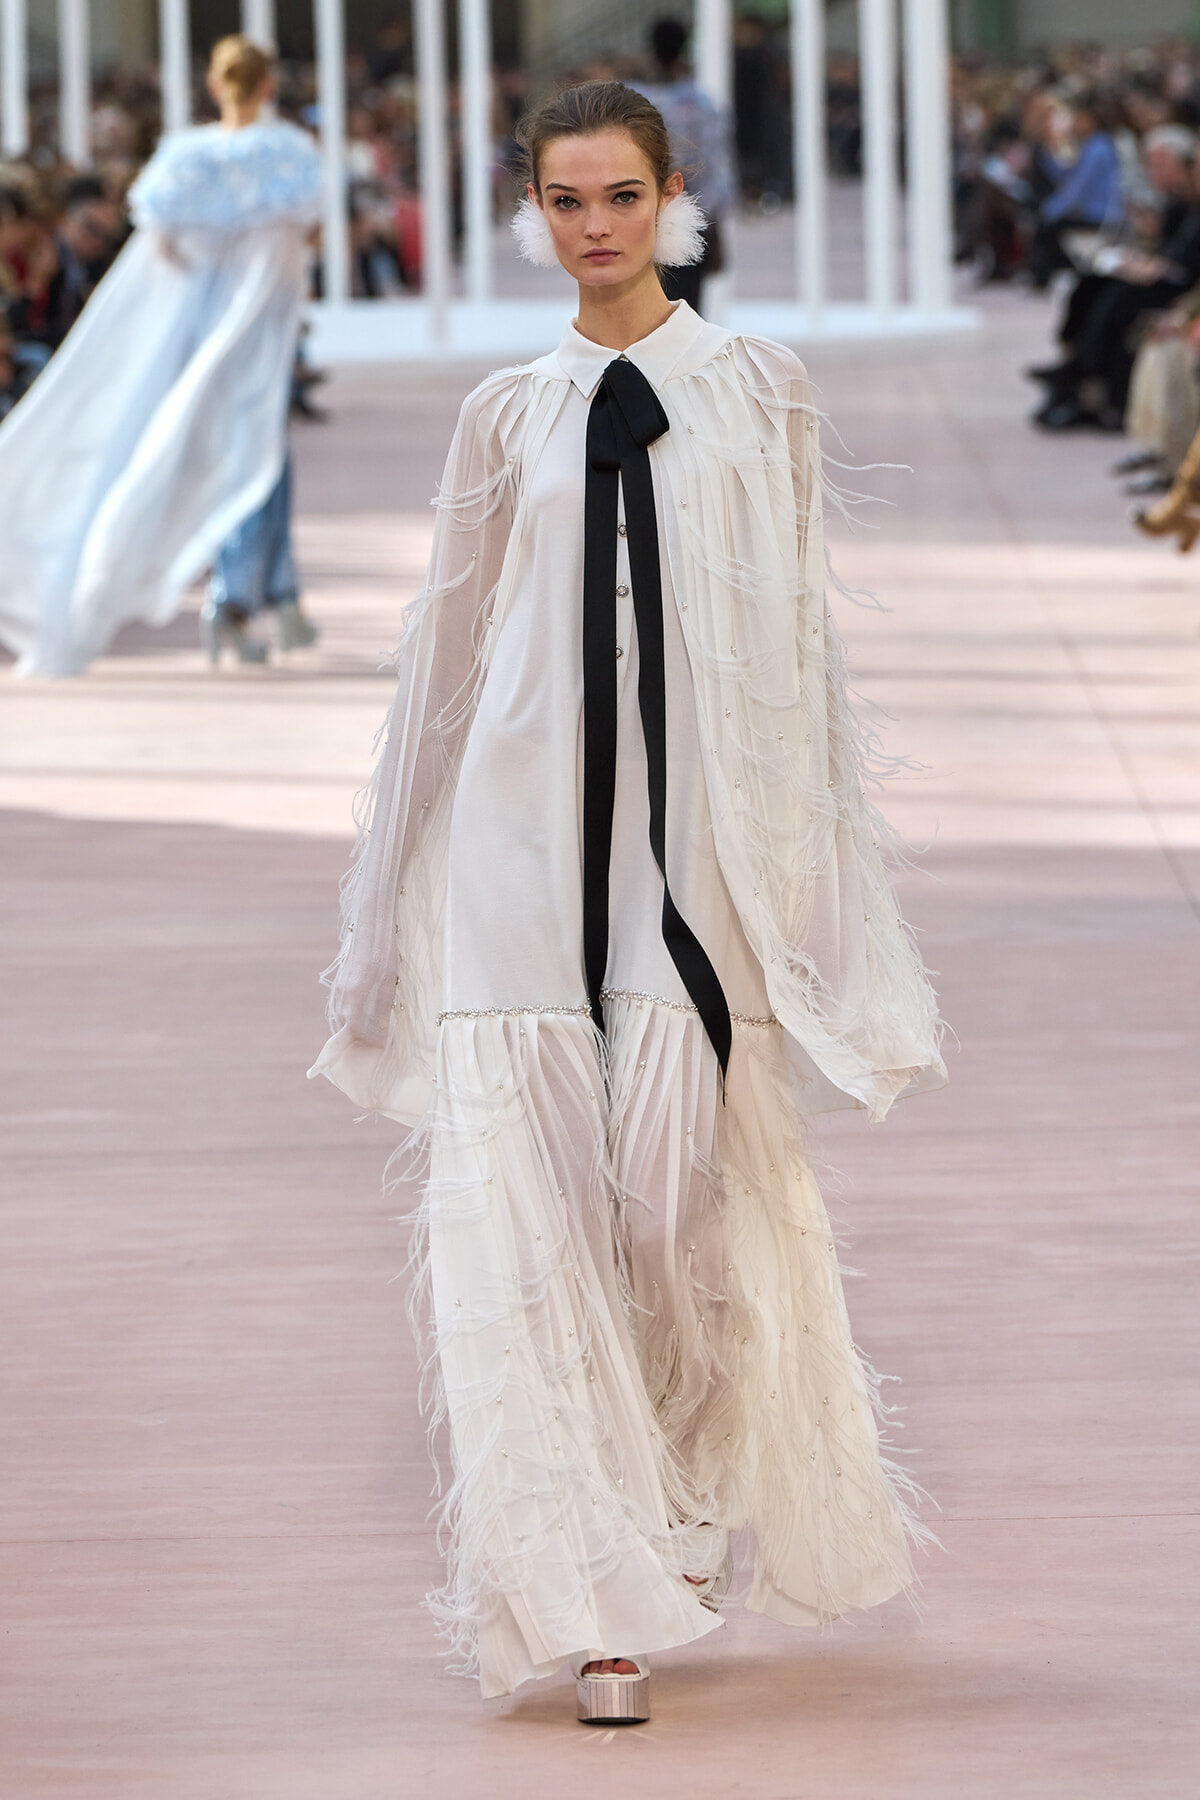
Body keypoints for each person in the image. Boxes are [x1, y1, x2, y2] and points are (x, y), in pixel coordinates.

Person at [311, 81, 946, 1720]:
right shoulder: (507, 413)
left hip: (690, 863)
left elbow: (799, 650)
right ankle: (596, 1598)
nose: (594, 227)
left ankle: (673, 1491)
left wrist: (809, 886)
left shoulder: (756, 392)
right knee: (537, 1226)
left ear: (675, 203)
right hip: (520, 852)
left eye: (621, 197)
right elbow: (441, 663)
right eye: (566, 201)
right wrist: (380, 908)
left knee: (669, 1208)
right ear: (534, 218)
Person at [0, 36, 322, 676]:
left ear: (212, 85)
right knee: (256, 460)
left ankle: (251, 599)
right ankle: (247, 601)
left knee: (167, 458)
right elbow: (302, 239)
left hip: (187, 342)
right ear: (267, 86)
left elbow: (162, 255)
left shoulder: (186, 157)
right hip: (252, 340)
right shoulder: (287, 153)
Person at [635, 17, 735, 315]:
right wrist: (716, 234)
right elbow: (713, 173)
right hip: (689, 213)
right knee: (686, 313)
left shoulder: (630, 100)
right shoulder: (700, 103)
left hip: (634, 211)